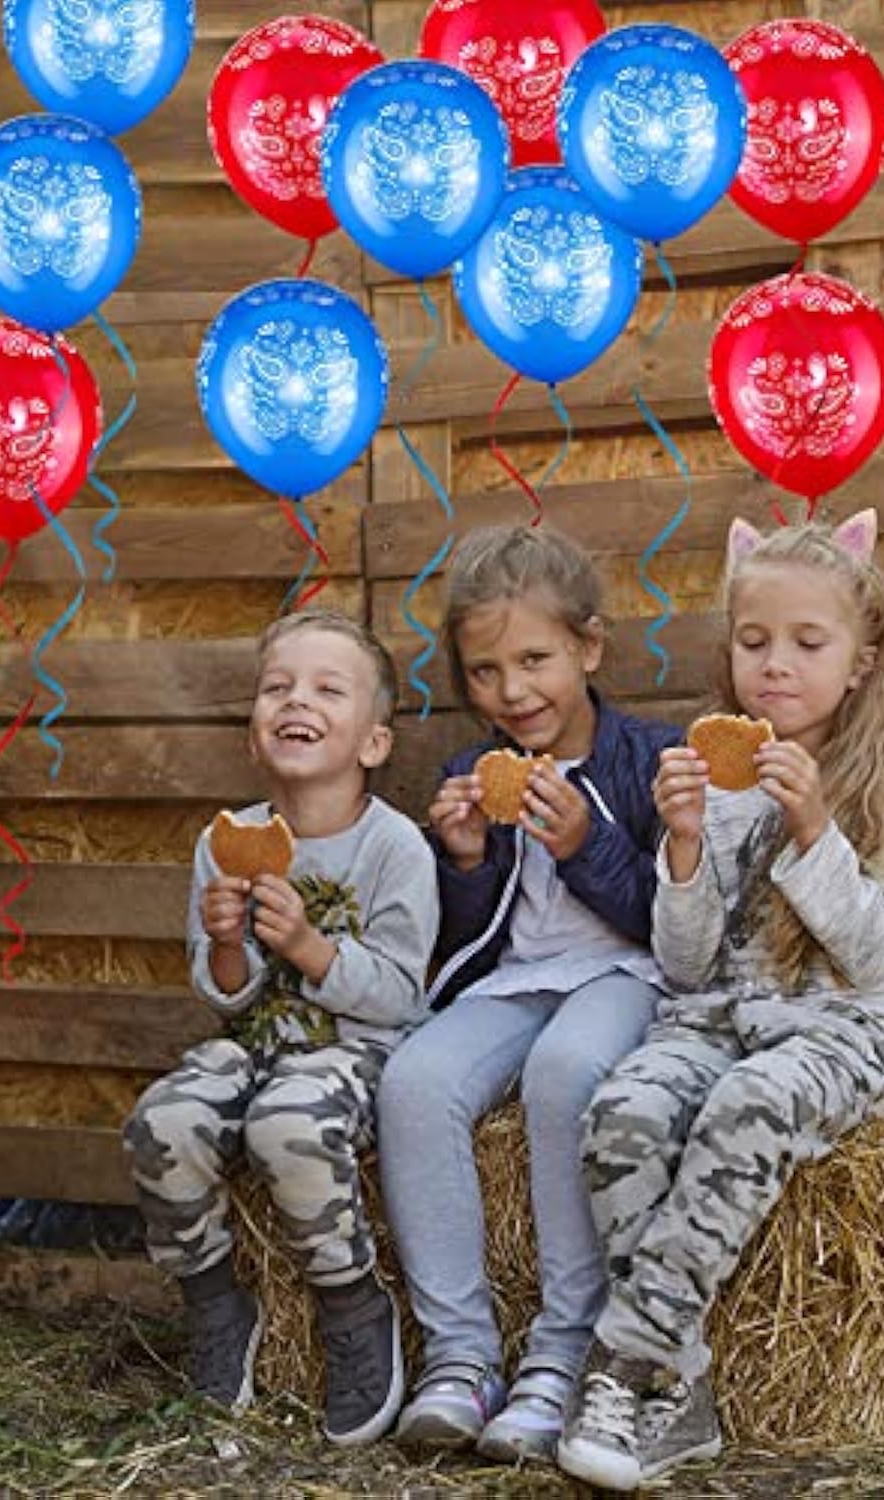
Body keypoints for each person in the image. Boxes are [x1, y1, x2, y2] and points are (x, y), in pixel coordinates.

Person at [558, 512, 884, 1488]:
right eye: (753, 640)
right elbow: (685, 969)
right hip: (717, 1017)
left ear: (860, 662)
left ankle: (627, 1361)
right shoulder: (713, 782)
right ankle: (680, 1400)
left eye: (807, 644)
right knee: (625, 1112)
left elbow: (875, 957)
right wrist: (683, 847)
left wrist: (815, 825)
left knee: (751, 1105)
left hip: (841, 1031)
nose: (775, 665)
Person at [377, 525, 681, 1462]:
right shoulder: (469, 774)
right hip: (515, 981)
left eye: (536, 660)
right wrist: (463, 859)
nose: (512, 693)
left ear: (589, 648)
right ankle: (462, 1357)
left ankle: (559, 1357)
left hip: (626, 976)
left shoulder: (649, 759)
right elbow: (467, 935)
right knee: (414, 1082)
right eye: (484, 672)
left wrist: (585, 842)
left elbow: (664, 919)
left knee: (567, 1073)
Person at [122, 609, 438, 1446]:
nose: (297, 700)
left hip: (356, 1051)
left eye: (328, 689)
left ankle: (350, 1304)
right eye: (277, 687)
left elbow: (403, 992)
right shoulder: (223, 841)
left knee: (287, 1123)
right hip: (253, 1041)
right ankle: (215, 1301)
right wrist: (228, 940)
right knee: (164, 1118)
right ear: (257, 735)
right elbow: (224, 996)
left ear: (373, 742)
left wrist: (306, 943)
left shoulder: (396, 847)